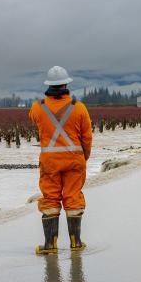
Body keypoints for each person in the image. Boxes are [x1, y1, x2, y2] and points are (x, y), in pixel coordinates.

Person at [29, 65, 93, 253]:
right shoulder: (79, 108)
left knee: (50, 198)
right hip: (75, 160)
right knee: (73, 198)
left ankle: (50, 245)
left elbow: (34, 119)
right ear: (66, 84)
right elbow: (87, 137)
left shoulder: (37, 108)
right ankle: (76, 243)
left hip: (50, 162)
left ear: (48, 85)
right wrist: (84, 157)